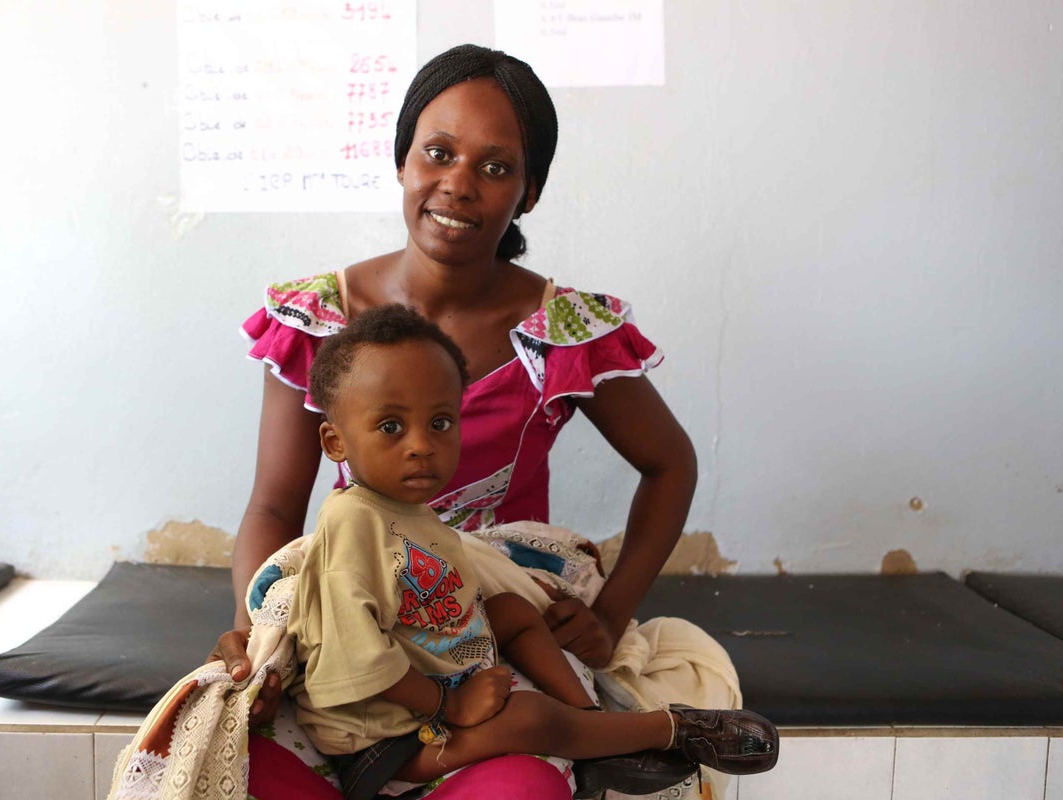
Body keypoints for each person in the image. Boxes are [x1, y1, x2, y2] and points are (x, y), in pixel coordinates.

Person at [214, 43, 741, 798]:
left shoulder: (563, 328)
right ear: (402, 161)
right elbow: (272, 505)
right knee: (233, 759)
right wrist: (253, 635)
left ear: (528, 193)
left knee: (524, 782)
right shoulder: (318, 320)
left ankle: (588, 740)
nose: (458, 185)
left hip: (492, 626)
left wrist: (613, 615)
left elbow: (671, 465)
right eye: (439, 153)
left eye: (496, 168)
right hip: (358, 600)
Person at [285, 303, 777, 800]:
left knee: (513, 611)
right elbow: (356, 662)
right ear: (335, 441)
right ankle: (669, 730)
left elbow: (430, 596)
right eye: (391, 427)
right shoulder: (351, 523)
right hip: (384, 738)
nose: (421, 446)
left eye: (440, 423)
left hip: (430, 664)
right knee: (530, 716)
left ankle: (591, 729)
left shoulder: (406, 510)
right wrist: (450, 705)